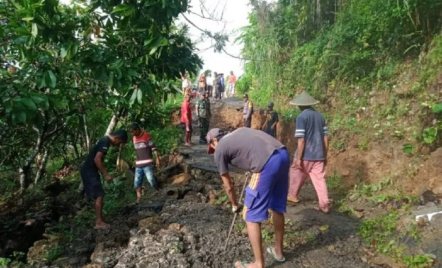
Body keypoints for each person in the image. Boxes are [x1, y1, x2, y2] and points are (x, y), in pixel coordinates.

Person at [206, 128, 289, 268]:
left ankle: (258, 264)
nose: (213, 150)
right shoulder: (239, 131)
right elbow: (253, 146)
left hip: (266, 162)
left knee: (250, 215)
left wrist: (234, 204)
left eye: (212, 147)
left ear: (214, 141)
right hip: (282, 154)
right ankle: (279, 251)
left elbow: (228, 185)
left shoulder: (220, 149)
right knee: (276, 207)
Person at [288, 91, 331, 213]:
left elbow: (301, 139)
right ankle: (324, 204)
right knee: (320, 179)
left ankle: (292, 195)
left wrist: (299, 158)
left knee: (296, 171)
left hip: (306, 154)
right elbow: (326, 137)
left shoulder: (301, 117)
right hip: (319, 154)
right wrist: (325, 154)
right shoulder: (320, 116)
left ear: (300, 106)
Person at [80, 130, 128, 230]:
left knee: (98, 194)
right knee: (99, 195)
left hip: (89, 170)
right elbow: (97, 159)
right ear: (116, 138)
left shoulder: (103, 139)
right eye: (119, 143)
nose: (118, 145)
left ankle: (100, 218)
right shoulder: (105, 141)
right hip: (89, 171)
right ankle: (98, 222)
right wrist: (106, 174)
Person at [129, 123, 160, 204]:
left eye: (133, 132)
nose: (132, 134)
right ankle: (138, 199)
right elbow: (137, 151)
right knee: (137, 182)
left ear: (137, 129)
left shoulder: (146, 136)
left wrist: (157, 158)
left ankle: (158, 191)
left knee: (151, 180)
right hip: (139, 164)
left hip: (147, 163)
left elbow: (153, 148)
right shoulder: (134, 138)